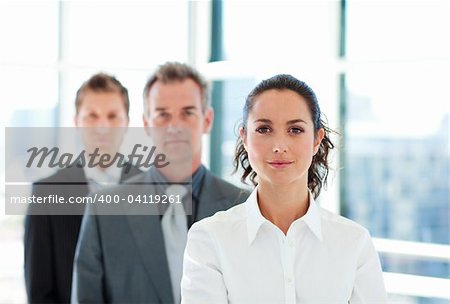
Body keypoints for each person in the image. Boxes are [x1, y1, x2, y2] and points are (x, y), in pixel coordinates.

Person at [181, 74, 387, 303]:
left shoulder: (354, 243)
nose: (279, 146)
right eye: (264, 129)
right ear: (245, 138)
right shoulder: (209, 239)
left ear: (317, 139)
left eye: (295, 130)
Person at [72, 62, 249, 303]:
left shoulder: (243, 206)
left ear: (207, 120)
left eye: (187, 112)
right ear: (146, 123)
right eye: (162, 114)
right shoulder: (104, 209)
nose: (174, 126)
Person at [24, 73, 142, 303]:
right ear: (76, 121)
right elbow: (39, 293)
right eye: (92, 116)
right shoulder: (46, 194)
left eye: (112, 116)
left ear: (127, 121)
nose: (103, 126)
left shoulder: (153, 190)